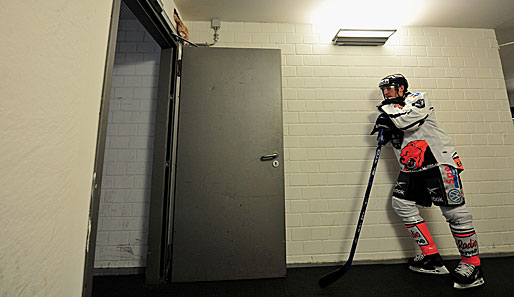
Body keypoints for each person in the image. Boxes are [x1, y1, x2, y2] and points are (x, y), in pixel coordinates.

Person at [370, 74, 485, 289]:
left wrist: (387, 115)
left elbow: (408, 121)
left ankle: (473, 264)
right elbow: (402, 137)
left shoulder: (417, 98)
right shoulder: (391, 109)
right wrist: (387, 135)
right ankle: (431, 257)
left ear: (402, 88)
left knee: (454, 213)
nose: (386, 92)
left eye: (390, 88)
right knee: (401, 203)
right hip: (412, 168)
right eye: (383, 89)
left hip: (437, 163)